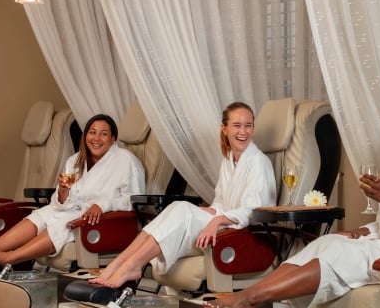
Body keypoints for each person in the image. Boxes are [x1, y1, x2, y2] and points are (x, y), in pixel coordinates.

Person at [208, 97, 380, 308]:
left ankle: (248, 298)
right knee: (326, 242)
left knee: (340, 253)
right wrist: (362, 231)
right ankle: (260, 298)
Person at [90, 101, 277, 288]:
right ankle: (118, 264)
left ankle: (132, 265)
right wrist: (207, 213)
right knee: (178, 207)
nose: (243, 132)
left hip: (241, 234)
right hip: (225, 226)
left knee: (182, 211)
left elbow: (254, 211)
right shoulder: (228, 161)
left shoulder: (259, 162)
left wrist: (217, 221)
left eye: (248, 126)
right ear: (224, 129)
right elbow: (219, 204)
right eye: (237, 126)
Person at [0, 114, 145, 266]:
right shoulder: (75, 160)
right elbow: (61, 202)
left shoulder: (126, 161)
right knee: (40, 215)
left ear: (113, 139)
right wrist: (62, 194)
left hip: (102, 220)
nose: (96, 138)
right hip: (71, 210)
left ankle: (9, 259)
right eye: (92, 132)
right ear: (85, 136)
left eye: (103, 134)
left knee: (64, 224)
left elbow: (134, 200)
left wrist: (103, 205)